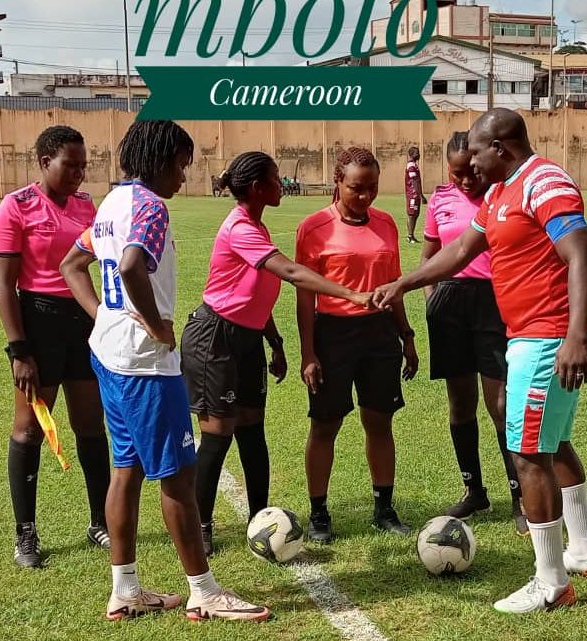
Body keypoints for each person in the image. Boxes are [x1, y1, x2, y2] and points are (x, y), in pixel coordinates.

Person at [374, 109, 587, 615]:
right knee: (552, 440)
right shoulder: (502, 192)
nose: (470, 161)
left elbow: (582, 255)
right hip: (535, 334)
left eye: (476, 152)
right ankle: (583, 550)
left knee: (526, 453)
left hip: (548, 338)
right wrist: (405, 283)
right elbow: (460, 248)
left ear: (501, 147)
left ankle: (550, 583)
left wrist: (572, 337)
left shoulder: (543, 182)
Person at [59, 120, 270, 622]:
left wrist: (104, 318)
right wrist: (156, 326)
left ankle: (125, 588)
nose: (185, 174)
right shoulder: (150, 207)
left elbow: (72, 264)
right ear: (158, 161)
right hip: (145, 367)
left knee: (125, 470)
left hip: (110, 356)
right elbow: (132, 266)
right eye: (180, 163)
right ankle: (205, 592)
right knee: (177, 475)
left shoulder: (111, 203)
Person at [181, 151, 373, 557]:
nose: (281, 183)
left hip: (247, 339)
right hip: (214, 340)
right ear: (257, 188)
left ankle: (259, 517)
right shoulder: (239, 227)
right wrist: (350, 293)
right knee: (217, 436)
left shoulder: (256, 224)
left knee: (252, 430)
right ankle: (200, 525)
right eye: (275, 178)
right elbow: (289, 273)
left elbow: (251, 294)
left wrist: (275, 341)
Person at [0, 125, 112, 569]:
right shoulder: (16, 207)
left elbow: (101, 258)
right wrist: (19, 350)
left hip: (81, 320)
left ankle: (100, 521)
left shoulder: (85, 206)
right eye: (70, 164)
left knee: (90, 424)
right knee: (29, 430)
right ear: (44, 161)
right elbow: (4, 285)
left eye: (84, 165)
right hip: (37, 322)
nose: (79, 173)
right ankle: (26, 534)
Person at [295, 147, 418, 544]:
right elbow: (304, 297)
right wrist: (309, 353)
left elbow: (395, 287)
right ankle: (318, 513)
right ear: (337, 181)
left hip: (380, 333)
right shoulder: (314, 228)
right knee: (326, 424)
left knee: (379, 421)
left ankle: (384, 507)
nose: (365, 197)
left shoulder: (387, 224)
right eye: (355, 188)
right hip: (333, 335)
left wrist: (407, 335)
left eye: (372, 188)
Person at [422, 132, 526, 537]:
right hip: (449, 306)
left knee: (499, 403)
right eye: (457, 173)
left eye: (471, 171)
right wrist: (433, 298)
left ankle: (520, 494)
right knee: (460, 403)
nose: (466, 180)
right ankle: (474, 491)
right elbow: (431, 254)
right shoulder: (440, 200)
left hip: (493, 304)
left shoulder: (500, 195)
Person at [405, 146, 427, 244]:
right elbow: (414, 182)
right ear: (411, 154)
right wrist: (421, 195)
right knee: (412, 214)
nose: (418, 155)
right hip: (412, 195)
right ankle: (410, 236)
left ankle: (411, 235)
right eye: (416, 153)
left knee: (415, 214)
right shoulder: (411, 166)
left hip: (415, 194)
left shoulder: (414, 165)